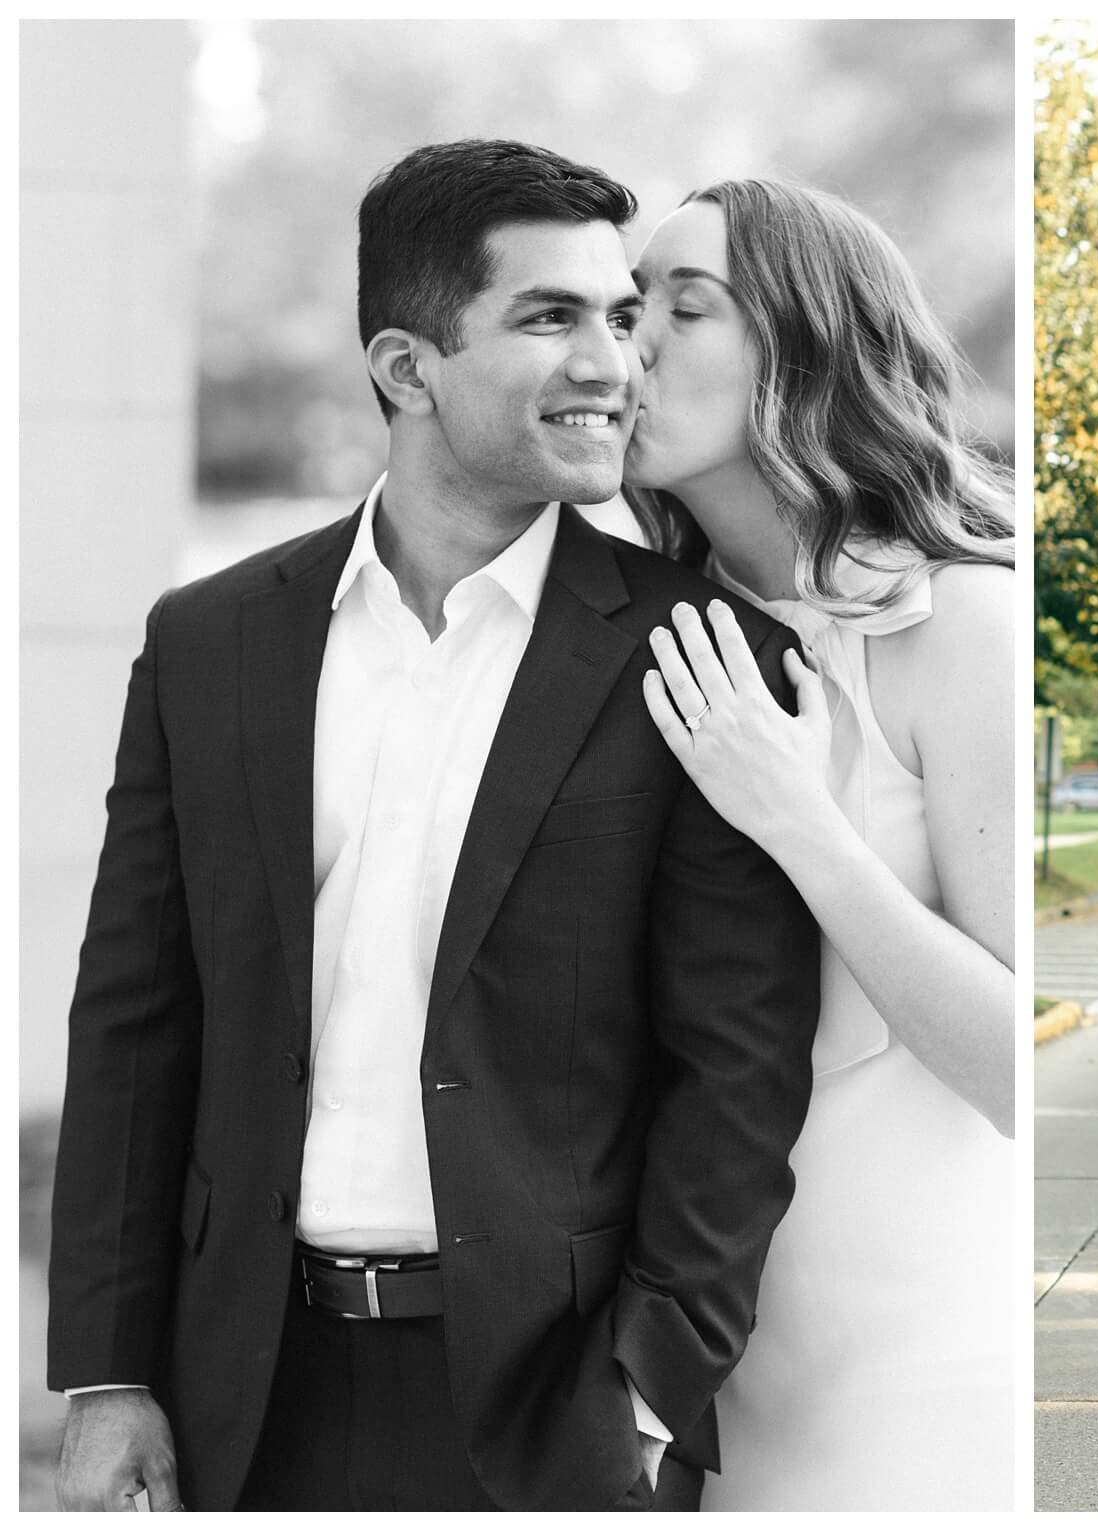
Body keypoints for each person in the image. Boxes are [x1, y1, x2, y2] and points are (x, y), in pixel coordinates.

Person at [45, 139, 822, 1511]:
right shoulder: (207, 641)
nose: (611, 364)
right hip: (241, 1387)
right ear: (408, 368)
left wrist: (647, 1385)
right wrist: (108, 1372)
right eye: (550, 317)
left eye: (623, 318)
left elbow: (739, 1064)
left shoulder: (698, 655)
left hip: (550, 1404)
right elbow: (133, 1014)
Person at [626, 179, 1015, 1509]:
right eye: (632, 306)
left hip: (919, 1361)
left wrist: (799, 820)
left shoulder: (954, 626)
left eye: (687, 304)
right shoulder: (654, 640)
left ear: (807, 342)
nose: (635, 342)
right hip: (698, 1363)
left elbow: (1021, 1067)